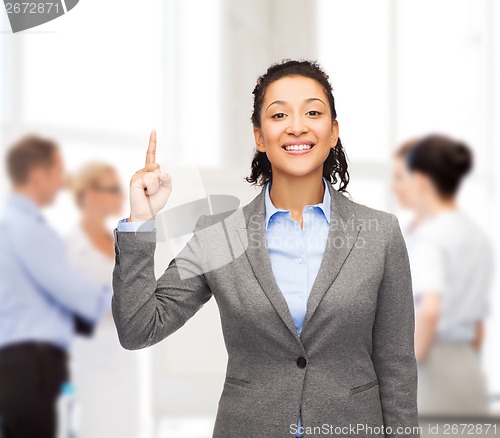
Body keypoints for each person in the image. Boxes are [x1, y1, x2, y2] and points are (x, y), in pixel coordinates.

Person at [112, 60, 420, 437]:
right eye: (279, 115)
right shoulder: (220, 235)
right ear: (259, 137)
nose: (296, 126)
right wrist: (141, 221)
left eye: (313, 111)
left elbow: (396, 365)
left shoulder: (380, 233)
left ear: (333, 131)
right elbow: (139, 328)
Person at [0, 134, 112, 438]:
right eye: (58, 172)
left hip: (27, 363)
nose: (63, 183)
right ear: (37, 177)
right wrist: (124, 300)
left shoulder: (16, 224)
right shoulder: (26, 228)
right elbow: (71, 290)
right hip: (30, 364)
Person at [400, 134, 493, 415]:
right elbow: (478, 327)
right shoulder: (477, 236)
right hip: (468, 368)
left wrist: (407, 371)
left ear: (420, 180)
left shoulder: (431, 238)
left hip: (433, 370)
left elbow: (429, 311)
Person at [65, 162, 141, 438]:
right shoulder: (69, 249)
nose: (119, 196)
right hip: (88, 363)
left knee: (126, 428)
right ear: (89, 195)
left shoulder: (119, 241)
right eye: (111, 190)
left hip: (122, 360)